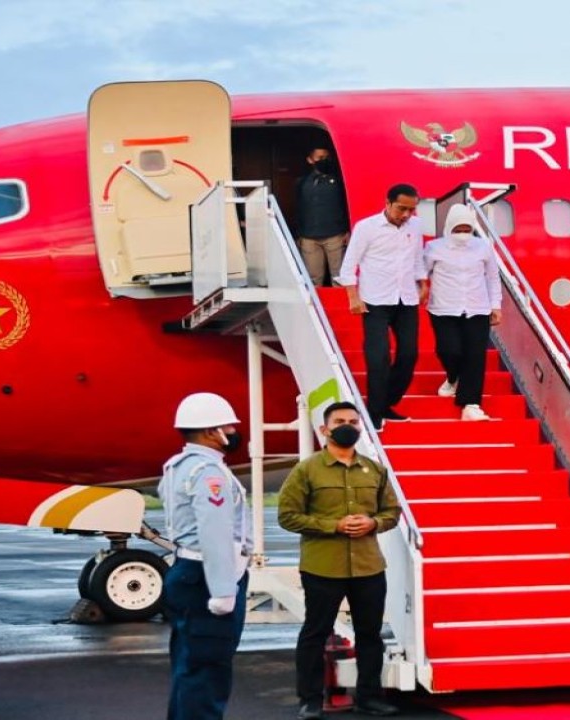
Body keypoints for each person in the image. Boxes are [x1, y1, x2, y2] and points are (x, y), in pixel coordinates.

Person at [278, 401, 400, 719]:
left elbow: (392, 512)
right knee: (315, 633)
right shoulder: (307, 470)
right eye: (340, 421)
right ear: (325, 429)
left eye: (353, 421)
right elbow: (288, 516)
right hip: (323, 567)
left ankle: (369, 697)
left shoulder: (375, 470)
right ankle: (310, 699)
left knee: (370, 635)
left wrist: (374, 523)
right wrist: (333, 526)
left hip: (368, 566)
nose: (348, 425)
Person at [158, 393, 253, 720]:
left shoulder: (179, 466)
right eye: (228, 425)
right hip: (207, 577)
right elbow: (215, 534)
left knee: (189, 667)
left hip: (188, 571)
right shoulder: (209, 472)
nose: (233, 431)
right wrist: (224, 590)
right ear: (213, 432)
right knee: (208, 672)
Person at [339, 183, 428, 431]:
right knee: (378, 357)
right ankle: (375, 413)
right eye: (402, 208)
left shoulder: (416, 226)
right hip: (374, 300)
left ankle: (386, 402)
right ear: (387, 203)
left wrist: (423, 283)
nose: (407, 215)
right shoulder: (367, 227)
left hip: (406, 298)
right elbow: (349, 265)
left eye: (412, 210)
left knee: (409, 355)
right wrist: (353, 297)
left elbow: (417, 257)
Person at [424, 203, 502, 421]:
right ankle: (453, 377)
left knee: (475, 357)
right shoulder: (434, 248)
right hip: (443, 308)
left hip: (477, 308)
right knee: (449, 351)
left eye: (467, 230)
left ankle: (471, 404)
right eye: (458, 230)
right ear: (449, 228)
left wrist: (496, 306)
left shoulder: (482, 247)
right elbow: (421, 273)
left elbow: (493, 278)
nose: (463, 235)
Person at [296, 147, 350, 287]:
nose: (324, 161)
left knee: (339, 279)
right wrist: (298, 234)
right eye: (319, 157)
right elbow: (298, 209)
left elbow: (346, 205)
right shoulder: (302, 183)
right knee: (313, 281)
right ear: (310, 160)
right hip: (309, 238)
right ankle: (316, 309)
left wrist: (347, 229)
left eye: (326, 157)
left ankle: (340, 308)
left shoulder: (340, 181)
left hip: (335, 236)